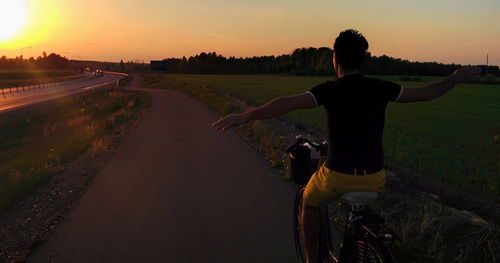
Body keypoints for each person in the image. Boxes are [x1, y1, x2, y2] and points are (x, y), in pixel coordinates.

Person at [211, 29, 480, 263]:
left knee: (309, 201)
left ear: (335, 58)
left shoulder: (330, 90)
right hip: (375, 177)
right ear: (362, 59)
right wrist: (455, 78)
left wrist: (246, 115)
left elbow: (287, 102)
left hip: (337, 175)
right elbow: (427, 93)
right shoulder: (380, 87)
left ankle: (311, 259)